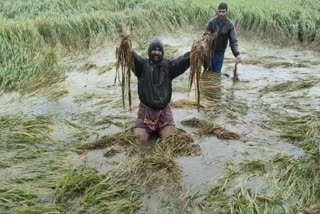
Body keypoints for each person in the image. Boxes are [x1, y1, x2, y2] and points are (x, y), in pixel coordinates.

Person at [131, 38, 190, 144]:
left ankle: (163, 129)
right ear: (149, 51)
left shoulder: (169, 66)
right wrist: (126, 48)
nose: (156, 53)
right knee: (139, 142)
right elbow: (131, 57)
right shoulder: (142, 66)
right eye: (154, 50)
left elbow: (182, 61)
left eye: (159, 50)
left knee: (170, 142)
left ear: (162, 52)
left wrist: (194, 52)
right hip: (145, 113)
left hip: (164, 114)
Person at [205, 2, 241, 73]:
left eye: (223, 12)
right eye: (220, 12)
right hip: (210, 52)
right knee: (208, 72)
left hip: (220, 53)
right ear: (217, 12)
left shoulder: (230, 25)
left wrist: (237, 54)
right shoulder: (212, 22)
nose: (221, 14)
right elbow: (205, 35)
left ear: (226, 12)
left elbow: (233, 41)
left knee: (217, 73)